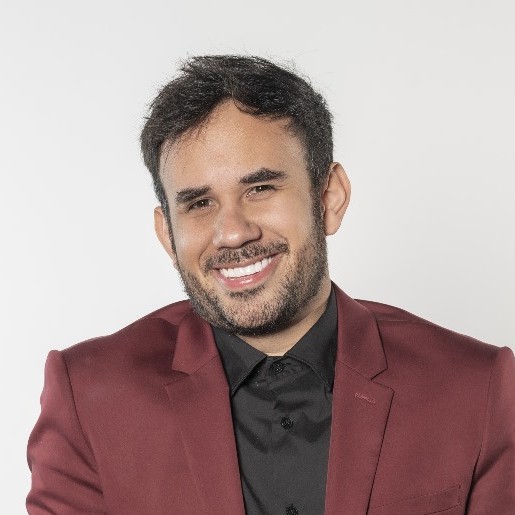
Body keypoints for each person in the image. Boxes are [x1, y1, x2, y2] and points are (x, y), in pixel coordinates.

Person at [27, 55, 515, 515]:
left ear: (329, 198)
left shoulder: (476, 388)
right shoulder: (88, 396)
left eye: (260, 189)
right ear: (167, 235)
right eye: (199, 203)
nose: (233, 232)